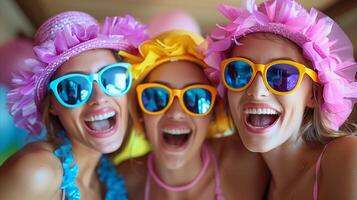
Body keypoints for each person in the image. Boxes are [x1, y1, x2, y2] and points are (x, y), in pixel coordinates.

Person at [204, 0, 357, 199]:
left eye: (282, 75)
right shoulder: (251, 182)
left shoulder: (347, 156)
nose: (257, 91)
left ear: (313, 93)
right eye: (240, 72)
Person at [0, 11, 147, 200]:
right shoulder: (37, 172)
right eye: (73, 87)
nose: (99, 97)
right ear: (52, 105)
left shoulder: (109, 179)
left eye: (111, 77)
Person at [118, 30, 269, 200]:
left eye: (196, 98)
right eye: (157, 96)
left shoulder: (250, 164)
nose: (175, 113)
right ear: (139, 112)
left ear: (212, 112)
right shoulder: (122, 181)